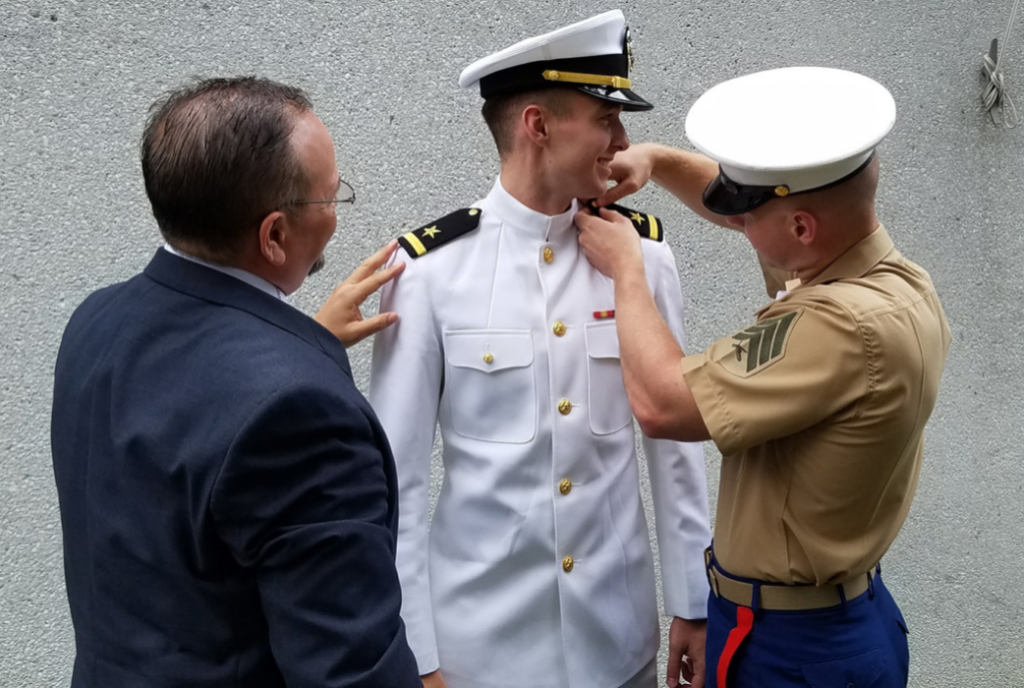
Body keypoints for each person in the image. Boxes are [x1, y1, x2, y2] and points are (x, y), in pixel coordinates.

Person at [575, 67, 952, 687]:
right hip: (829, 625)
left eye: (749, 217)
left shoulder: (837, 326)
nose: (738, 226)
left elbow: (663, 405)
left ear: (802, 229)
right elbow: (761, 212)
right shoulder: (891, 281)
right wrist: (660, 159)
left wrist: (627, 272)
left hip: (794, 649)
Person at [369, 11, 711, 688]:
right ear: (537, 125)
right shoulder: (430, 272)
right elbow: (396, 483)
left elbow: (675, 449)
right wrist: (418, 655)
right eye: (605, 118)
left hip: (616, 642)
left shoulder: (643, 257)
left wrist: (692, 607)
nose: (622, 140)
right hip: (480, 653)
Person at [50, 76, 421, 687]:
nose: (334, 214)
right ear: (274, 235)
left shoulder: (96, 321)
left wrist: (300, 342)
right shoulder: (301, 412)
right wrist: (295, 361)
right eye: (331, 198)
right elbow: (354, 672)